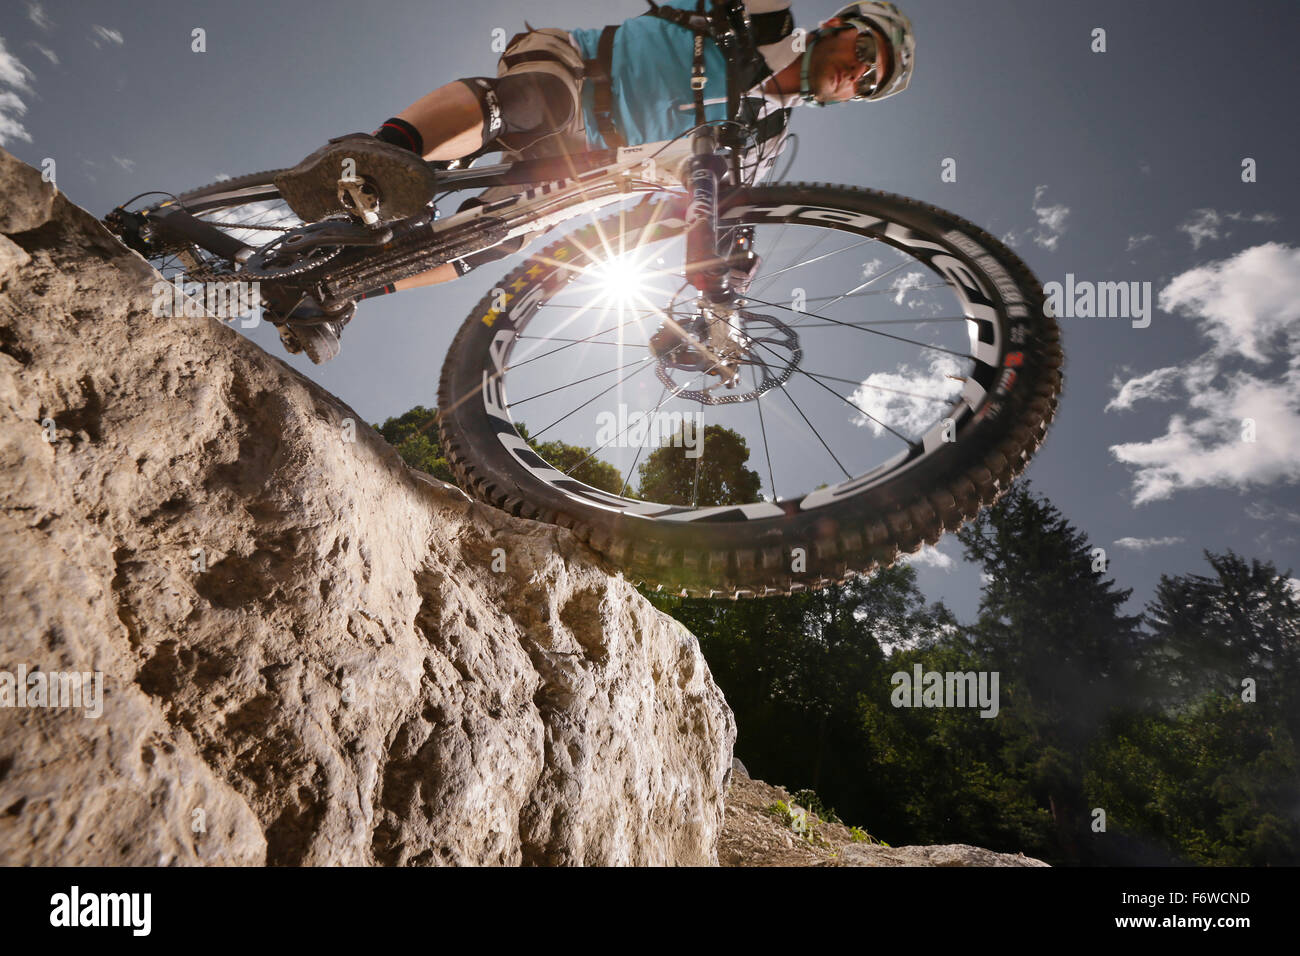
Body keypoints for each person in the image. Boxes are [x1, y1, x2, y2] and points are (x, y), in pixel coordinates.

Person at [272, 1, 915, 363]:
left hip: (584, 169)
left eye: (871, 80)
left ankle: (335, 288)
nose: (857, 72)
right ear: (838, 24)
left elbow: (721, 224)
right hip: (575, 73)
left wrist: (716, 320)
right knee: (530, 99)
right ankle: (377, 157)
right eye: (865, 50)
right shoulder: (763, 18)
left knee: (488, 240)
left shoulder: (761, 142)